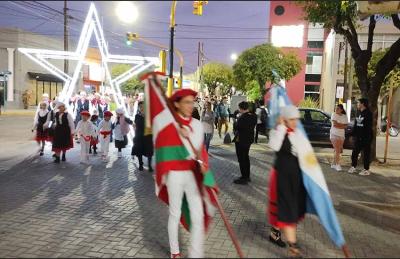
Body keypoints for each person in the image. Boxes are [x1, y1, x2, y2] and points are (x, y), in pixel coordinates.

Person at [167, 89, 206, 258]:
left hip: (192, 173)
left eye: (193, 102)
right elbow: (164, 152)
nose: (191, 105)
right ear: (177, 104)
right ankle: (174, 252)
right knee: (175, 213)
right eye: (187, 102)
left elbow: (198, 151)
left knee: (198, 215)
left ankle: (195, 254)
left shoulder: (197, 124)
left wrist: (203, 164)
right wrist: (177, 137)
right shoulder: (170, 125)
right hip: (174, 173)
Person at [268, 105, 307, 257]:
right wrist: (281, 127)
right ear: (284, 119)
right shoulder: (278, 131)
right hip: (281, 177)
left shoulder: (298, 134)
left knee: (289, 209)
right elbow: (275, 146)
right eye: (291, 119)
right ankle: (293, 248)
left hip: (295, 178)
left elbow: (305, 155)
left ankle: (274, 233)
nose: (295, 122)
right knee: (287, 210)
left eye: (296, 119)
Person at [233, 101, 257, 185]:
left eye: (239, 108)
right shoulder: (254, 116)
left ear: (241, 108)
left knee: (241, 159)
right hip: (249, 140)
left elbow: (237, 127)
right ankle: (247, 176)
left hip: (241, 141)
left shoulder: (242, 117)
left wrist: (236, 119)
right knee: (246, 157)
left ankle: (244, 178)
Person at [348, 98, 373, 176]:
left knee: (366, 154)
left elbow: (368, 127)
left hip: (366, 138)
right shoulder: (358, 113)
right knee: (354, 153)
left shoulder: (368, 113)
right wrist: (351, 135)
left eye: (358, 103)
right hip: (358, 138)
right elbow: (356, 126)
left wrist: (367, 137)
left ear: (363, 104)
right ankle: (353, 166)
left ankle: (366, 169)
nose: (357, 104)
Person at [131, 101, 154, 172]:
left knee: (149, 151)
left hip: (148, 136)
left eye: (143, 106)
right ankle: (141, 164)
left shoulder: (150, 116)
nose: (141, 108)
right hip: (139, 136)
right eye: (140, 107)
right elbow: (137, 125)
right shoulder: (137, 116)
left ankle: (150, 165)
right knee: (139, 150)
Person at [330, 104, 348, 171]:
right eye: (336, 108)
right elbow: (335, 125)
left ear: (341, 110)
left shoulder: (344, 116)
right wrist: (342, 125)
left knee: (338, 150)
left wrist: (339, 124)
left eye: (338, 108)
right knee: (337, 149)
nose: (336, 110)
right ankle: (337, 164)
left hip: (341, 135)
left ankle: (333, 163)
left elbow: (346, 126)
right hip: (334, 134)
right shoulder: (333, 114)